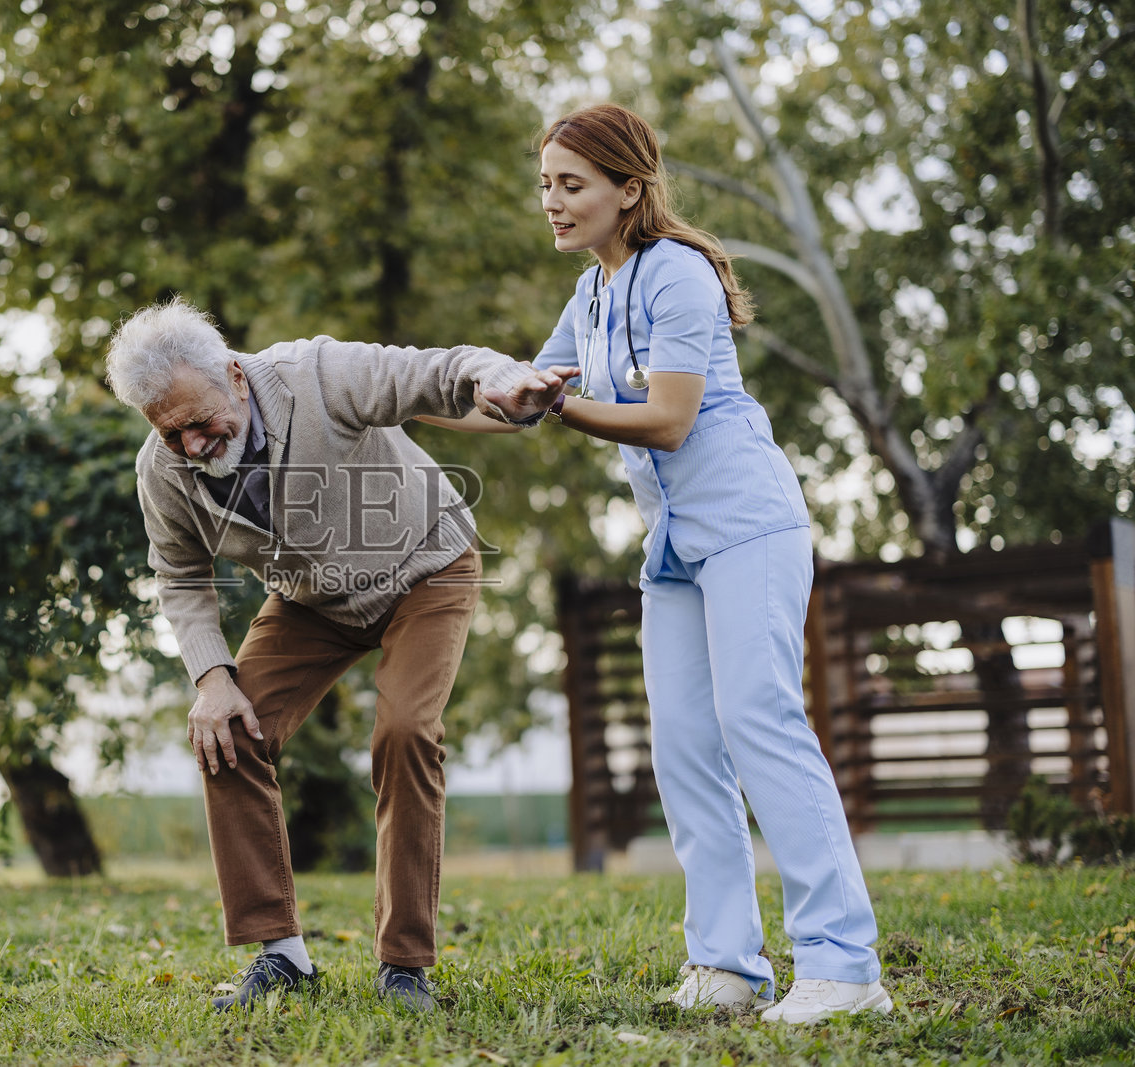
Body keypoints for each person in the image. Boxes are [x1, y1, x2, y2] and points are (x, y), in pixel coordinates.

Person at [475, 103, 891, 1024]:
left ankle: (845, 964)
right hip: (673, 545)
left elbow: (666, 417)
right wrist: (387, 395)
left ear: (629, 190)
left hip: (746, 522)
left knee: (759, 718)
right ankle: (728, 965)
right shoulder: (587, 296)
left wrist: (551, 406)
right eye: (545, 184)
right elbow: (507, 398)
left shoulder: (678, 273)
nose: (551, 201)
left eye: (570, 185)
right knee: (686, 745)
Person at [104, 297, 568, 1012]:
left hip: (426, 566)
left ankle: (404, 963)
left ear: (233, 374)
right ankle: (280, 955)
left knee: (405, 729)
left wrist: (501, 379)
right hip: (311, 601)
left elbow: (437, 370)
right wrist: (212, 676)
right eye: (172, 433)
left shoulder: (316, 375)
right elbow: (179, 574)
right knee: (226, 732)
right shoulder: (162, 471)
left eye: (200, 423)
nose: (193, 444)